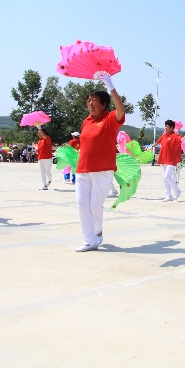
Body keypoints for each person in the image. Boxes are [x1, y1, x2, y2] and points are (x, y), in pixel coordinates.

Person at [74, 74, 125, 252]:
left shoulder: (109, 119)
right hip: (82, 169)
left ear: (103, 104)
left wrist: (110, 85)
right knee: (82, 204)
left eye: (94, 100)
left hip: (102, 170)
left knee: (95, 205)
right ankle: (90, 241)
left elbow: (120, 111)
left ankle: (97, 232)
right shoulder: (86, 121)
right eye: (88, 100)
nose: (90, 103)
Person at [151, 120, 183, 202]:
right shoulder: (164, 135)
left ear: (172, 127)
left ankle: (177, 190)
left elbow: (182, 140)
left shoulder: (175, 136)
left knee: (167, 177)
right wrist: (151, 147)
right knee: (164, 178)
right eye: (165, 126)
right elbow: (158, 142)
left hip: (171, 160)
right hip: (164, 159)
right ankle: (169, 195)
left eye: (167, 126)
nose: (165, 128)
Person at [37, 126, 53, 190]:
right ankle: (44, 185)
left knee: (47, 172)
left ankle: (50, 179)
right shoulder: (39, 141)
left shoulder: (47, 138)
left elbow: (44, 135)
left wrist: (39, 128)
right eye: (38, 134)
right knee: (42, 172)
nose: (39, 135)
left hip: (47, 158)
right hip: (40, 158)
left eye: (40, 133)